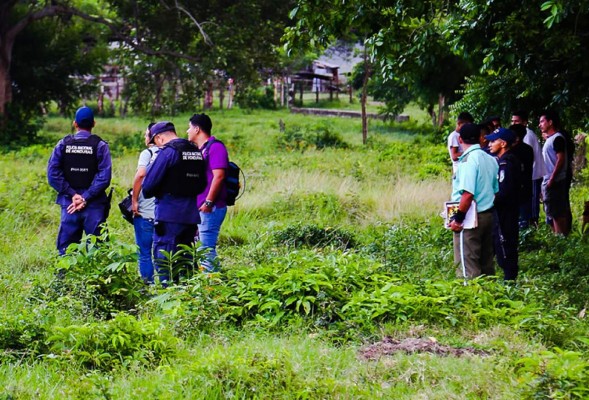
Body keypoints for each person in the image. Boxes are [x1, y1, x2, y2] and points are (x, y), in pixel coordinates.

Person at [142, 121, 206, 283]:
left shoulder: (168, 153)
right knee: (186, 263)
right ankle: (187, 299)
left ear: (159, 138)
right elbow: (202, 184)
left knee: (166, 264)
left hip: (169, 217)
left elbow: (148, 187)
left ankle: (169, 300)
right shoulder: (195, 150)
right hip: (191, 217)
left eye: (155, 142)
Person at [47, 106, 112, 255]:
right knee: (98, 249)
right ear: (93, 124)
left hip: (69, 203)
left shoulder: (63, 144)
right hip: (94, 204)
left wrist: (72, 194)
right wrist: (85, 197)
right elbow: (104, 177)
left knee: (67, 249)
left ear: (75, 123)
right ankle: (96, 279)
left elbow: (53, 174)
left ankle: (64, 278)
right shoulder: (100, 146)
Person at [449, 123, 499, 279]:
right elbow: (495, 190)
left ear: (460, 139)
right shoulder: (490, 159)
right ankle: (490, 297)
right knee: (486, 263)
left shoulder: (467, 161)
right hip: (488, 215)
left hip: (471, 217)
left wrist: (458, 218)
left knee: (467, 264)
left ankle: (471, 299)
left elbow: (467, 194)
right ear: (480, 138)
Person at [187, 113, 229, 272]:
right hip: (202, 207)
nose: (187, 131)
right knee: (203, 248)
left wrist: (209, 202)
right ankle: (213, 279)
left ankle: (212, 285)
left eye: (189, 127)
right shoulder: (202, 149)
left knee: (206, 249)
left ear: (197, 129)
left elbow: (219, 176)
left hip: (211, 207)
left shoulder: (216, 147)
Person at [486, 128, 521, 281]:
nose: (490, 144)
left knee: (506, 245)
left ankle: (510, 282)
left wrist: (488, 200)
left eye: (494, 141)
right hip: (506, 210)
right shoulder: (504, 160)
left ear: (504, 143)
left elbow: (504, 191)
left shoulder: (507, 162)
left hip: (506, 212)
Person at [131, 123, 159, 283]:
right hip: (165, 214)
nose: (144, 137)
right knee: (162, 252)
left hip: (145, 213)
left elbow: (141, 174)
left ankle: (147, 286)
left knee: (145, 252)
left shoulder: (147, 153)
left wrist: (134, 200)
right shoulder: (170, 153)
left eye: (146, 134)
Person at [539, 110, 572, 235]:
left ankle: (561, 239)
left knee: (558, 213)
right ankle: (558, 239)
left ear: (550, 122)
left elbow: (561, 159)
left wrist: (552, 178)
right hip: (549, 180)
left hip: (555, 181)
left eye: (542, 121)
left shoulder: (557, 138)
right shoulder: (551, 139)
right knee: (553, 213)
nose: (540, 125)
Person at [511, 110, 546, 226]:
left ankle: (532, 225)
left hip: (533, 175)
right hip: (528, 176)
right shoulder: (518, 135)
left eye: (517, 121)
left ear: (525, 122)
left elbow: (526, 157)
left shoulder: (527, 135)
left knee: (531, 204)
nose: (514, 123)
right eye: (512, 121)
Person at [508, 124, 534, 229]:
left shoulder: (513, 151)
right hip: (526, 187)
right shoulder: (528, 149)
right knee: (524, 219)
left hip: (517, 189)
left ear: (517, 138)